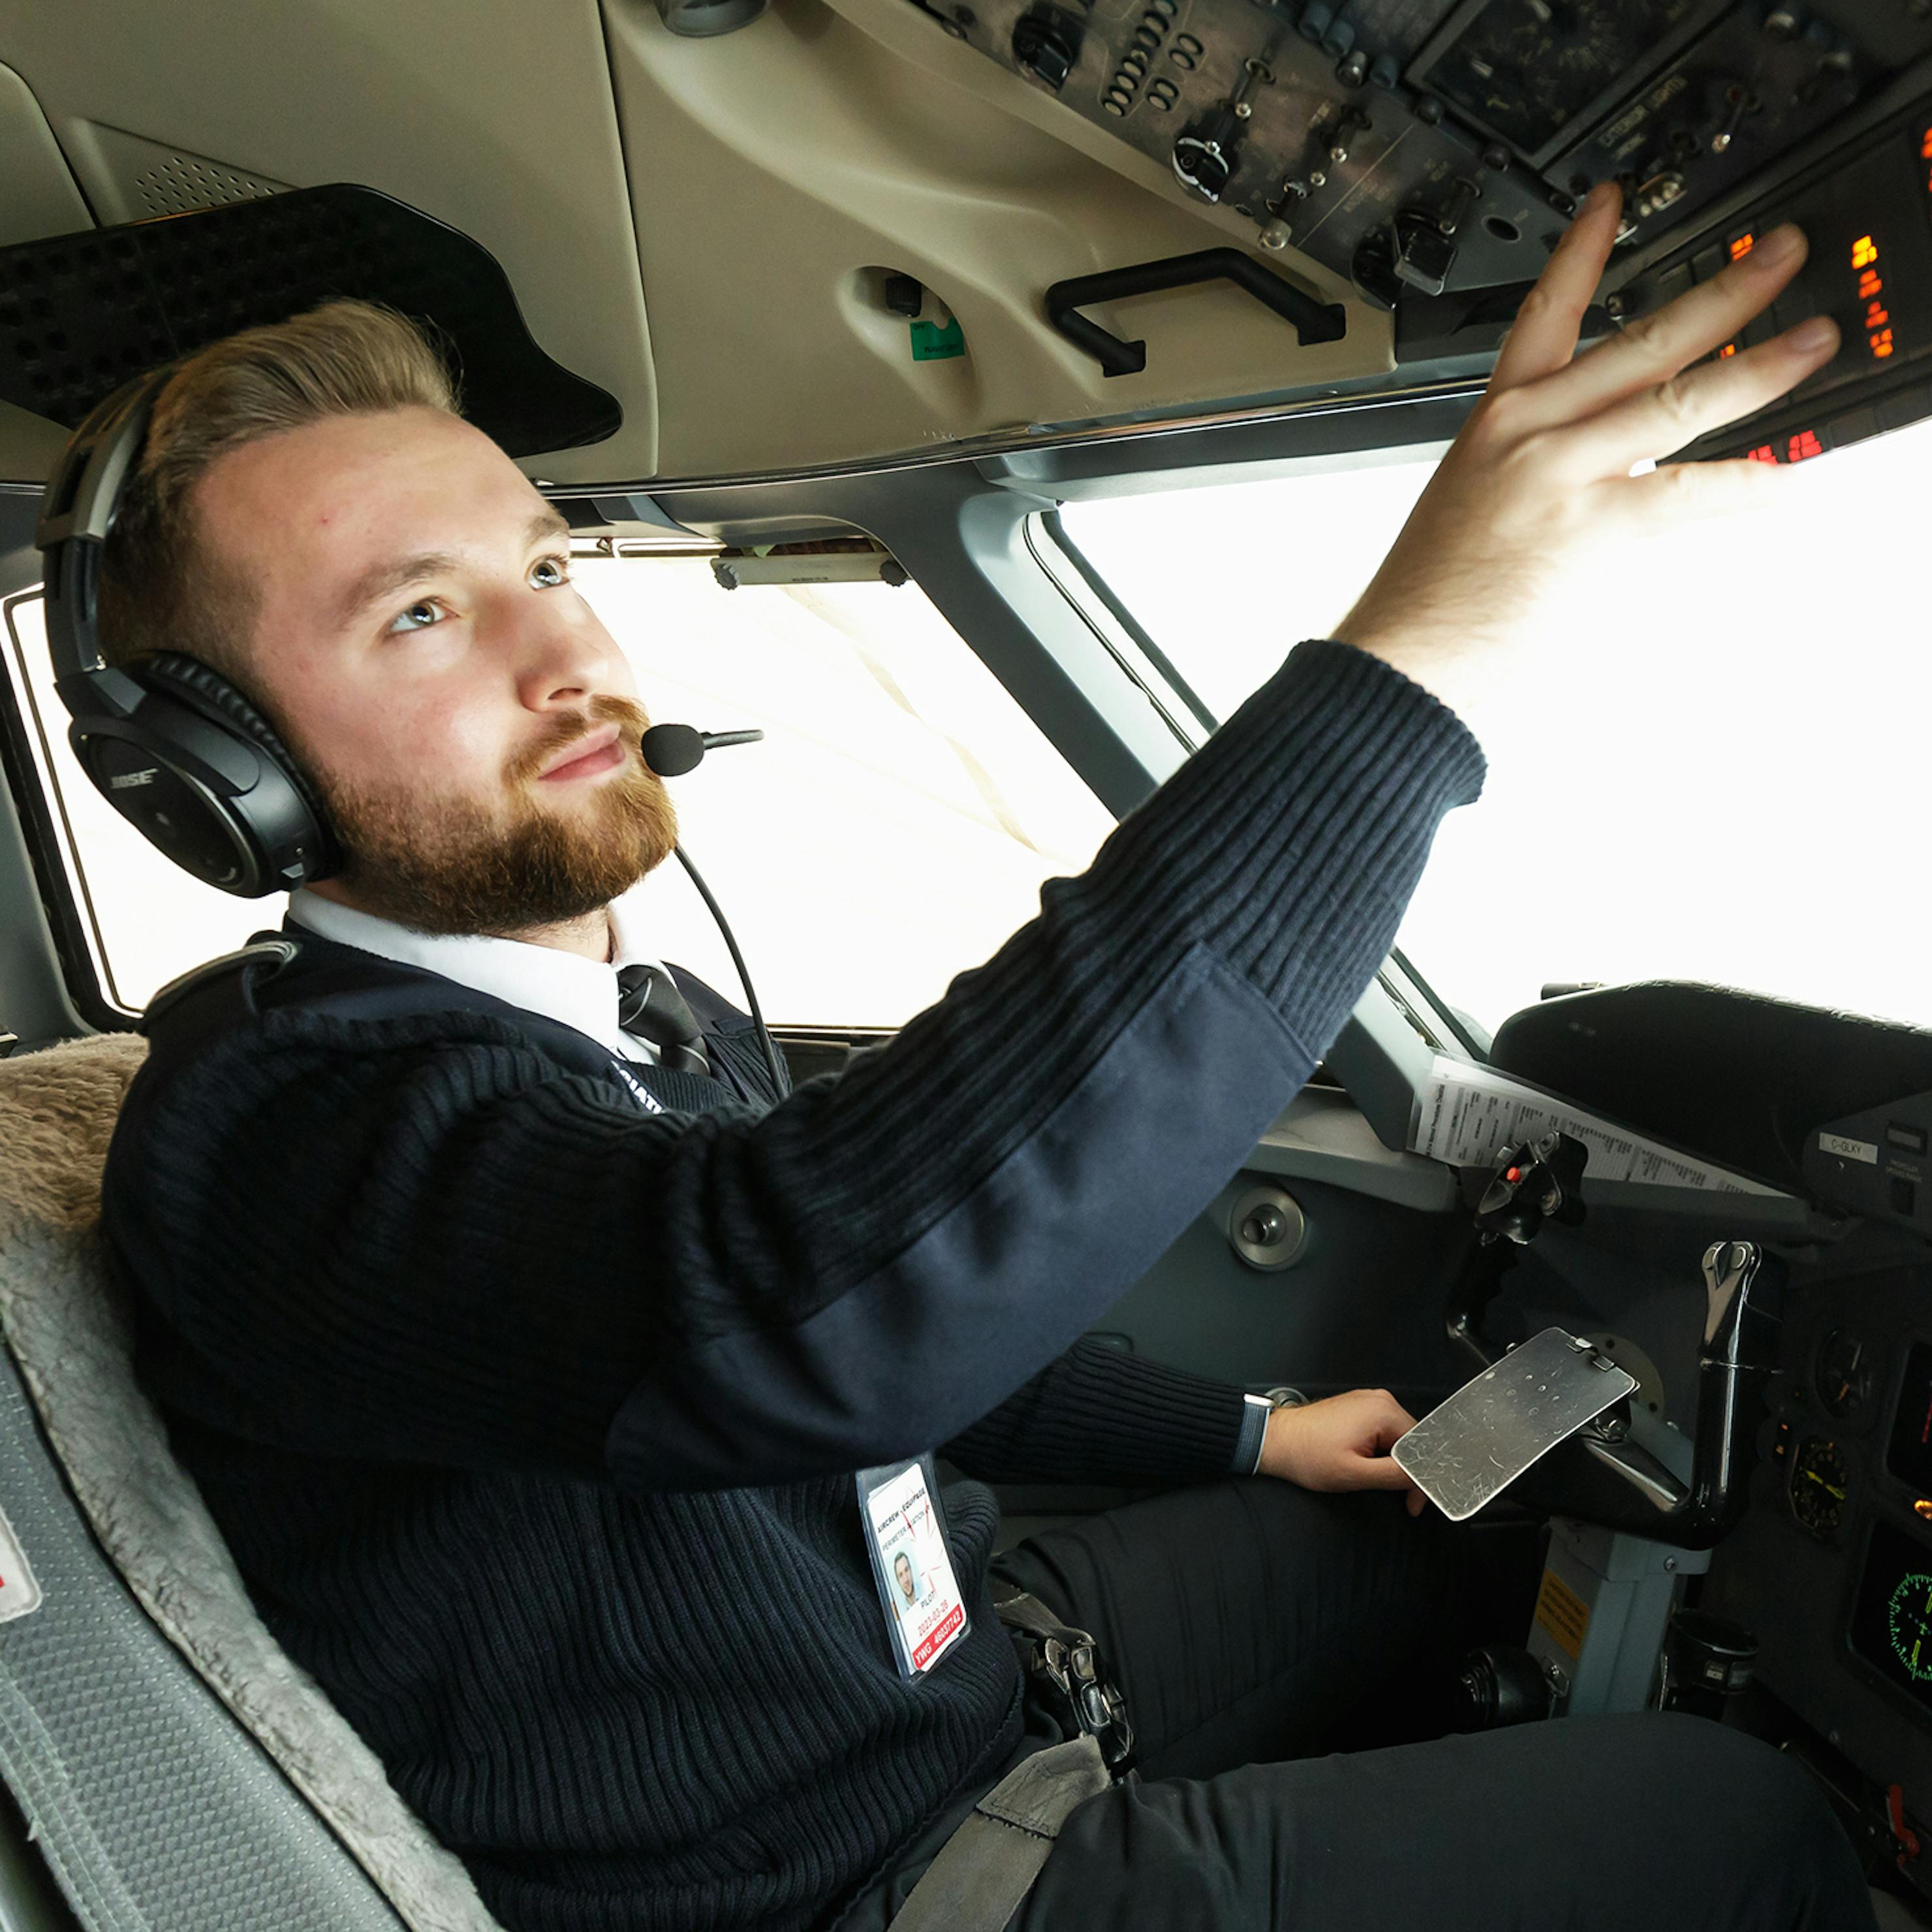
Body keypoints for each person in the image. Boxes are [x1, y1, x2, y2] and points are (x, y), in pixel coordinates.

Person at [93, 181, 1873, 1932]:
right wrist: (1414, 668)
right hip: (856, 1882)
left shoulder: (642, 1027)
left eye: (549, 563)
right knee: (1738, 1821)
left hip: (967, 1678)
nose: (573, 657)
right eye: (422, 614)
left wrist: (1252, 1431)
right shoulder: (268, 1141)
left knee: (1445, 1521)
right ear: (217, 770)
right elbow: (810, 1308)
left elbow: (914, 1340)